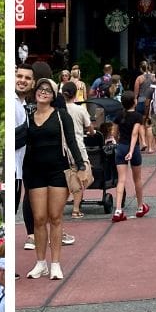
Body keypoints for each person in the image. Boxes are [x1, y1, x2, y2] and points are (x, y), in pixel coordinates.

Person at [22, 77, 89, 280]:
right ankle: (40, 262)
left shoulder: (61, 115)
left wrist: (81, 166)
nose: (43, 92)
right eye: (40, 89)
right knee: (39, 219)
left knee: (55, 218)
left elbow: (72, 141)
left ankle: (56, 263)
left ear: (53, 95)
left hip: (58, 171)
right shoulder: (28, 116)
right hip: (34, 172)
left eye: (48, 90)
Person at [109, 90, 149, 222]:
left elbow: (114, 132)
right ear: (134, 102)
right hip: (133, 149)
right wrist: (131, 151)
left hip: (121, 147)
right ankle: (140, 206)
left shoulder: (118, 115)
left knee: (121, 180)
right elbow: (134, 134)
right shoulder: (138, 116)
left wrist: (116, 140)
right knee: (137, 179)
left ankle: (118, 209)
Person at [59, 82, 92, 218]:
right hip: (78, 146)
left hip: (63, 148)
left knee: (68, 178)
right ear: (76, 94)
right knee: (81, 176)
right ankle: (76, 209)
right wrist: (91, 131)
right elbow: (89, 127)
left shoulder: (58, 110)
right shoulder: (80, 110)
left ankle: (60, 208)